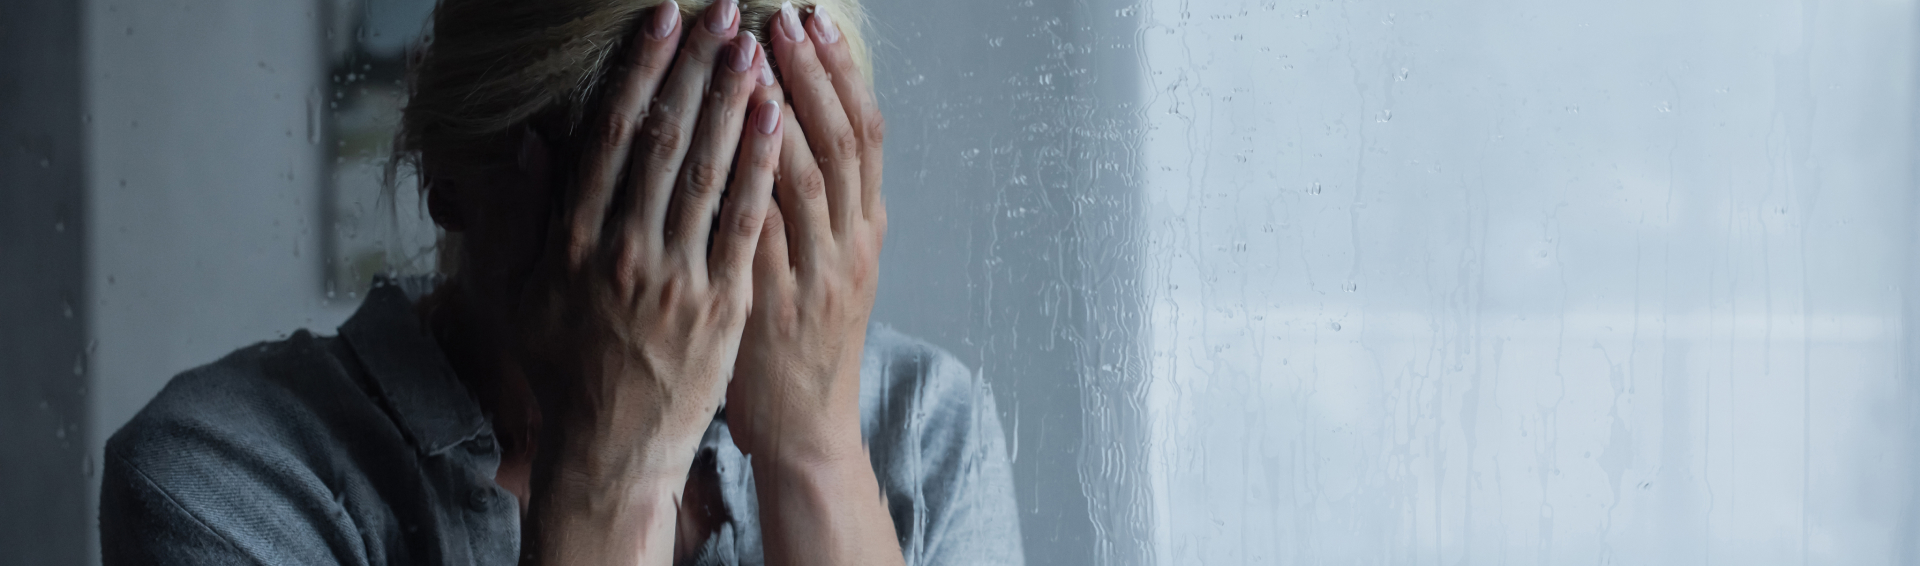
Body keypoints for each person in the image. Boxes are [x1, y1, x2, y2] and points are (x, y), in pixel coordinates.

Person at [97, 0, 1023, 564]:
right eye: (626, 194)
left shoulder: (923, 430)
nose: (678, 281)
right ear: (451, 170)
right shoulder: (231, 480)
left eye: (751, 195)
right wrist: (612, 475)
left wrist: (817, 453)